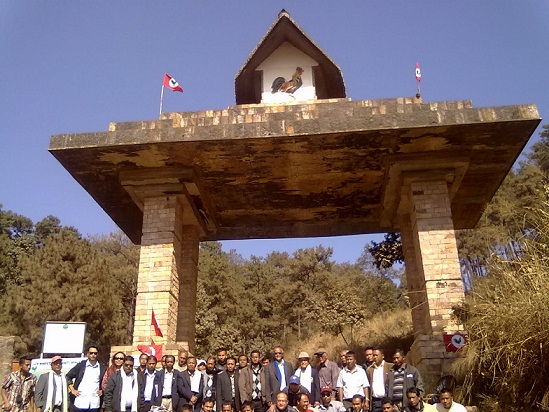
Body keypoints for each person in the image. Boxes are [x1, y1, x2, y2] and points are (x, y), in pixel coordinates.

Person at [66, 346, 107, 412]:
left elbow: (106, 382)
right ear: (87, 354)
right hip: (80, 402)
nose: (93, 355)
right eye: (91, 353)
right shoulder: (81, 366)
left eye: (95, 353)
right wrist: (72, 390)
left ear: (97, 354)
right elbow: (68, 376)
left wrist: (102, 390)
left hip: (94, 403)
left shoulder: (102, 367)